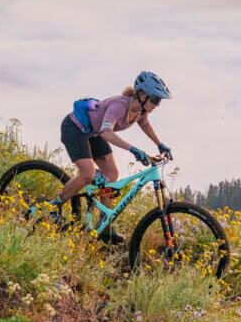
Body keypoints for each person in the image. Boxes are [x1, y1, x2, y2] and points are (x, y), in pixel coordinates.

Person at [54, 71, 173, 239]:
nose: (157, 105)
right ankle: (53, 206)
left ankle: (104, 228)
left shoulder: (141, 111)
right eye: (155, 100)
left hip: (92, 133)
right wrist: (133, 149)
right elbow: (106, 133)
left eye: (159, 101)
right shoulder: (120, 105)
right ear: (141, 94)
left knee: (112, 175)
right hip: (75, 128)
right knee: (87, 174)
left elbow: (145, 125)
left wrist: (159, 144)